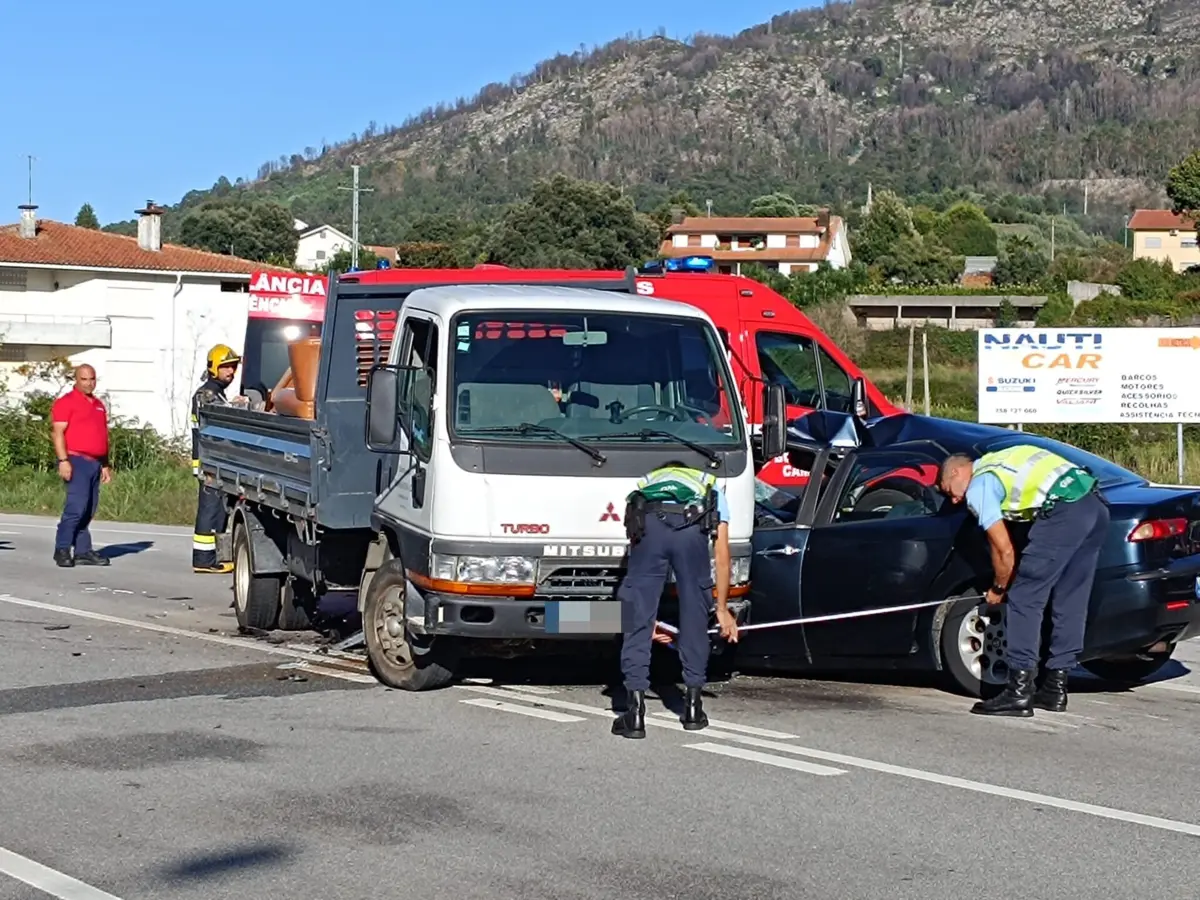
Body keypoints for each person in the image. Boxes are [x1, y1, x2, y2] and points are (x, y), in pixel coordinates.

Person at [938, 445, 1110, 717]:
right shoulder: (1002, 461)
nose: (955, 501)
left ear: (957, 471)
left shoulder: (979, 485)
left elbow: (1003, 550)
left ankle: (1018, 692)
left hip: (1064, 509)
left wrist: (998, 588)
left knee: (1024, 598)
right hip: (1094, 505)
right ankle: (1055, 688)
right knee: (1070, 599)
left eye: (948, 490)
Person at [611, 462, 739, 739]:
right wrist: (721, 609)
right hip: (692, 530)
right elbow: (722, 553)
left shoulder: (646, 481)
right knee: (695, 613)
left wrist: (648, 615)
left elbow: (634, 543)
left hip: (650, 528)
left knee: (635, 618)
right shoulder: (709, 483)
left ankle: (634, 714)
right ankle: (692, 709)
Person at [50, 365, 112, 567]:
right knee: (76, 508)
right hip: (76, 460)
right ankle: (62, 548)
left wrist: (104, 464)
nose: (89, 383)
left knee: (89, 509)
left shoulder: (98, 405)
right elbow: (58, 433)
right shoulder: (66, 402)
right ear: (76, 380)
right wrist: (63, 461)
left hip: (95, 462)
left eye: (92, 379)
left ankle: (83, 551)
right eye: (84, 379)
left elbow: (102, 435)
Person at [191, 345, 242, 574]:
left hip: (214, 461)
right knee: (210, 510)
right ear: (213, 368)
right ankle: (203, 559)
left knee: (218, 509)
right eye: (225, 367)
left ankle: (210, 557)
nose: (230, 371)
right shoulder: (207, 394)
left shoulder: (217, 393)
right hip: (210, 462)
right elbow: (212, 428)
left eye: (233, 366)